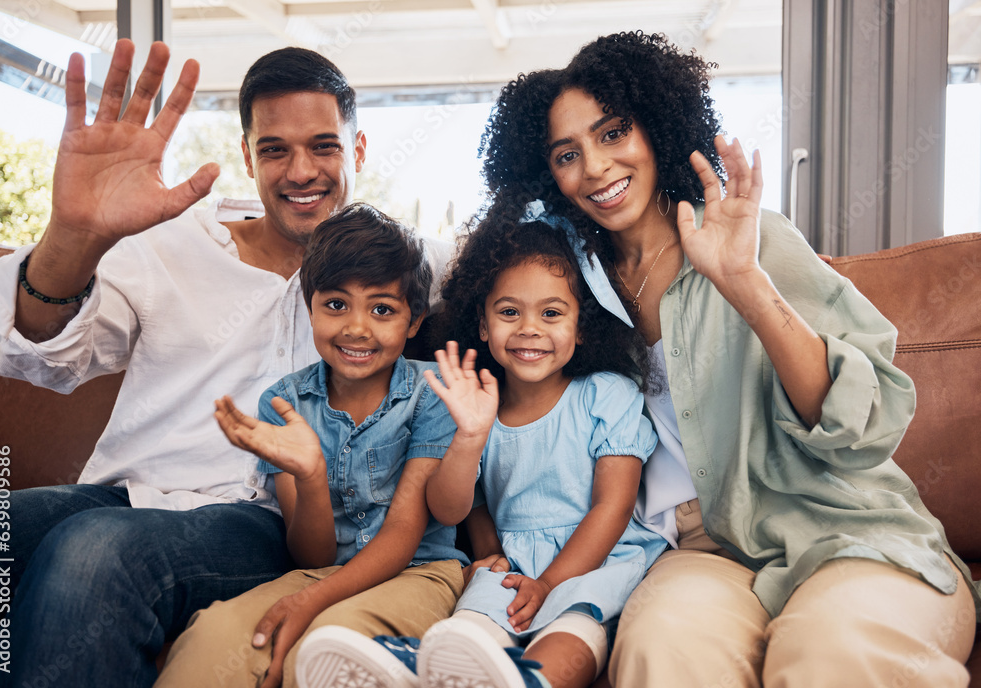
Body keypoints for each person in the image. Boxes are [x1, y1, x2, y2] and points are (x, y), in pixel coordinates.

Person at [476, 31, 979, 688]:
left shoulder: (750, 238)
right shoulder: (570, 291)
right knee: (664, 651)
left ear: (657, 128)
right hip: (698, 548)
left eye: (613, 133)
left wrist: (744, 282)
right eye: (568, 154)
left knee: (832, 655)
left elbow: (871, 420)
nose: (595, 167)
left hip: (842, 527)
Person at [0, 42, 448, 687]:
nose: (301, 171)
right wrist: (73, 232)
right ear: (248, 156)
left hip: (265, 521)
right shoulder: (172, 243)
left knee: (92, 553)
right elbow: (35, 355)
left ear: (358, 150)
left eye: (324, 146)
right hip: (127, 497)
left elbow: (527, 280)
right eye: (274, 149)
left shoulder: (402, 266)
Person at [299, 212, 670, 688]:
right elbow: (454, 507)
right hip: (513, 563)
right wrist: (473, 448)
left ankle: (529, 681)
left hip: (591, 561)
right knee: (468, 630)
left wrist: (550, 584)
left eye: (551, 313)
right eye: (509, 312)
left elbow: (612, 506)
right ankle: (415, 671)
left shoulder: (606, 395)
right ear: (482, 323)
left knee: (572, 629)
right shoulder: (474, 403)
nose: (529, 328)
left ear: (581, 328)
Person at [153, 203, 468, 688]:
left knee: (332, 642)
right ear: (310, 306)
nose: (356, 327)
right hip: (319, 573)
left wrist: (312, 603)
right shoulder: (284, 402)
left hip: (419, 571)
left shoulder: (434, 393)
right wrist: (311, 475)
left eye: (382, 309)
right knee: (211, 637)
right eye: (336, 304)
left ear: (414, 321)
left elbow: (406, 532)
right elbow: (311, 557)